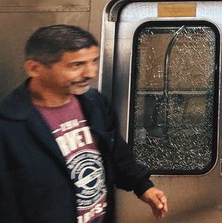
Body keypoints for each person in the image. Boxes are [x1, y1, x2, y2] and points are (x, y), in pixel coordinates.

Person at [0, 25, 169, 222]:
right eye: (76, 65)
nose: (90, 72)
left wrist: (143, 186)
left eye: (94, 61)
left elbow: (115, 151)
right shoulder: (9, 126)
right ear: (34, 68)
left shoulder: (93, 103)